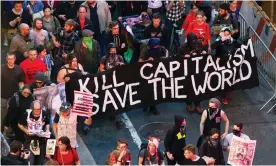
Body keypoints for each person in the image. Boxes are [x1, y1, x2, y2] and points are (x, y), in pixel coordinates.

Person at [177, 32, 206, 113]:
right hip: (188, 71)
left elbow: (203, 51)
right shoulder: (183, 47)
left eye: (195, 40)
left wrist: (203, 52)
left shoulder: (199, 44)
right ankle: (189, 104)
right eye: (192, 40)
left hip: (198, 70)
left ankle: (197, 104)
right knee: (189, 88)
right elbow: (176, 57)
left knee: (198, 88)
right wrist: (183, 57)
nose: (194, 42)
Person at [139, 38, 167, 115]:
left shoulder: (161, 49)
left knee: (155, 90)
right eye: (154, 46)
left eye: (157, 46)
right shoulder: (145, 50)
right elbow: (140, 61)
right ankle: (145, 104)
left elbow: (166, 58)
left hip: (157, 71)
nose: (156, 47)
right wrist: (147, 61)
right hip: (147, 72)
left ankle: (153, 107)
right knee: (147, 89)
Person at [18, 100, 50, 165]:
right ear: (32, 109)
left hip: (41, 140)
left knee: (40, 161)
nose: (37, 111)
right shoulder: (27, 114)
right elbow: (19, 124)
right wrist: (26, 131)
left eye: (39, 109)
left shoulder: (44, 113)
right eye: (35, 110)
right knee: (31, 161)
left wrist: (47, 130)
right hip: (30, 140)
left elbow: (47, 123)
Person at [99, 43, 124, 129]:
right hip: (108, 82)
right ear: (108, 50)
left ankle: (118, 120)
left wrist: (121, 66)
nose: (113, 51)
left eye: (114, 49)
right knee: (109, 100)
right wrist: (107, 74)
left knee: (118, 100)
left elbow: (124, 68)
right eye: (111, 49)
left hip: (117, 82)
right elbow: (101, 68)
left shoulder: (120, 57)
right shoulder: (104, 58)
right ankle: (111, 113)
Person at [1, 52, 25, 128]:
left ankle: (10, 132)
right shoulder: (1, 69)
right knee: (2, 116)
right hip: (2, 97)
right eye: (9, 59)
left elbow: (21, 82)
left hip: (14, 97)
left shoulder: (19, 69)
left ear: (15, 59)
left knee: (13, 116)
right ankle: (1, 132)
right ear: (6, 59)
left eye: (12, 59)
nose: (10, 61)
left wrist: (21, 89)